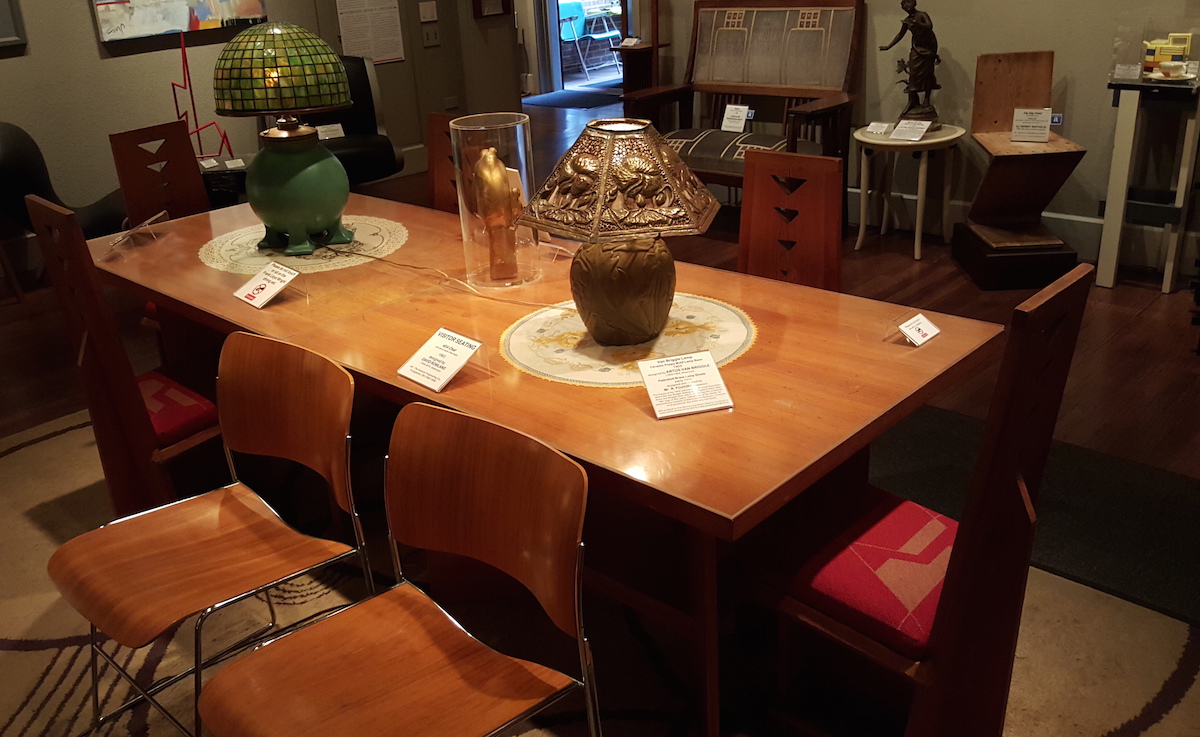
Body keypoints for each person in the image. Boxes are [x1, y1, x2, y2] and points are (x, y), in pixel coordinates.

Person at [880, 0, 940, 115]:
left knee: (927, 72)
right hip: (916, 47)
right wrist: (888, 46)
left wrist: (917, 23)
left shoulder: (922, 14)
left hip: (928, 45)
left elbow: (929, 26)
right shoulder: (907, 21)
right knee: (913, 72)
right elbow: (900, 34)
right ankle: (913, 100)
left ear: (914, 3)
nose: (906, 5)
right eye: (903, 4)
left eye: (908, 2)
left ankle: (926, 99)